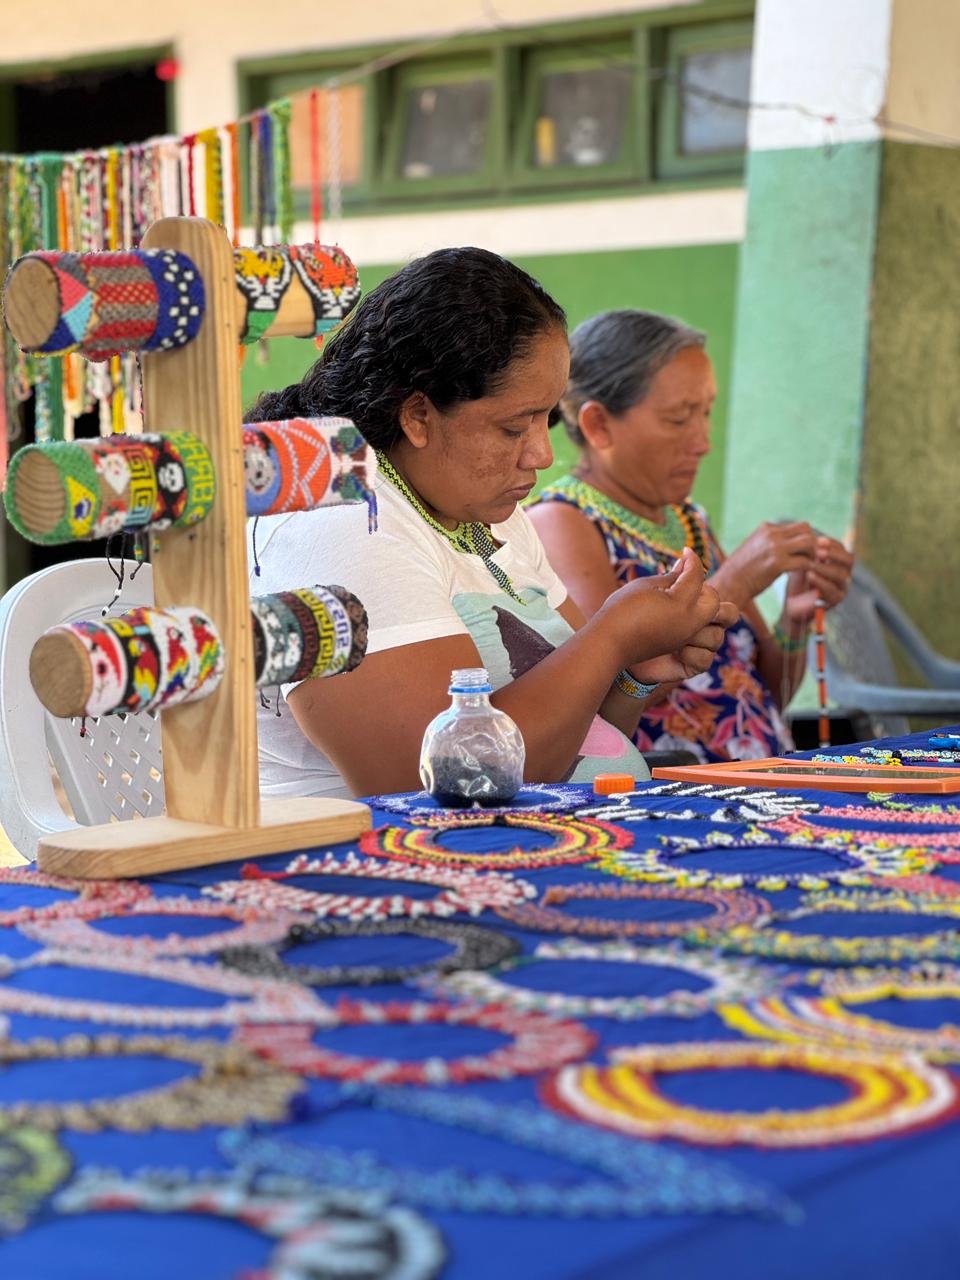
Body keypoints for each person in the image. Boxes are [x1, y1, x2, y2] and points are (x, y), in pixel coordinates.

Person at [246, 253, 738, 799]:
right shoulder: (340, 523)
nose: (542, 455)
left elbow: (573, 739)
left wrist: (634, 668)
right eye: (512, 428)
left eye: (546, 418)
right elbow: (441, 784)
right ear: (416, 416)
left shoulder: (483, 507)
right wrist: (612, 635)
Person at [528, 309, 854, 763]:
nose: (703, 442)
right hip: (664, 790)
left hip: (759, 775)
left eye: (706, 413)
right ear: (599, 425)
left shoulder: (689, 522)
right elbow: (602, 705)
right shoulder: (563, 521)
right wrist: (735, 579)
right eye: (680, 418)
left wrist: (795, 620)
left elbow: (757, 693)